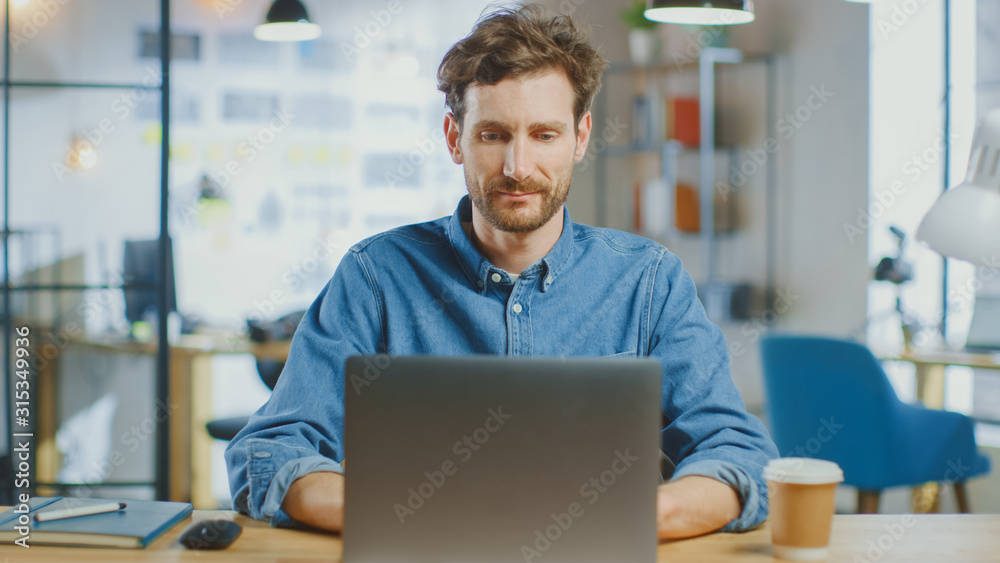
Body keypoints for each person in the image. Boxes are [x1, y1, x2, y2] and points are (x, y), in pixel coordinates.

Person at [226, 5, 778, 539]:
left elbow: (737, 451)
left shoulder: (649, 282)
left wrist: (649, 514)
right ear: (454, 139)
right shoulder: (375, 277)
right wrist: (404, 516)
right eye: (493, 135)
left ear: (580, 138)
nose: (518, 168)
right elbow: (271, 450)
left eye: (545, 134)